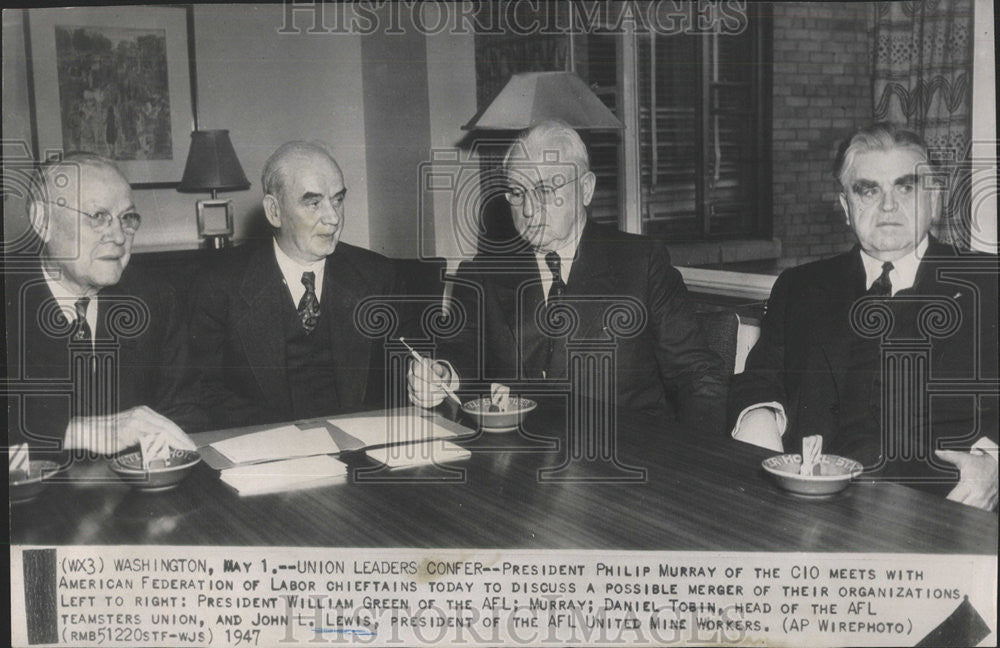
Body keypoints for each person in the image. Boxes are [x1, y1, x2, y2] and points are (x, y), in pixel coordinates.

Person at [728, 123, 998, 509]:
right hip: (812, 504)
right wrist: (759, 419)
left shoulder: (989, 286)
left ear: (934, 199)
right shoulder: (801, 286)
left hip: (948, 507)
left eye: (906, 187)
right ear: (845, 206)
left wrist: (994, 464)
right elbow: (760, 378)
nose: (888, 206)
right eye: (868, 189)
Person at [408, 120, 727, 432]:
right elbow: (459, 354)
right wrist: (441, 375)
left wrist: (694, 459)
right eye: (516, 192)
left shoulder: (641, 263)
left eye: (545, 189)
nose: (528, 210)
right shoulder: (482, 274)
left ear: (586, 189)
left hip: (622, 458)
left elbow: (696, 373)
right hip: (520, 461)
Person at [187, 141, 397, 429]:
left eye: (337, 200)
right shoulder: (220, 285)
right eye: (313, 203)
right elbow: (200, 392)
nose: (333, 218)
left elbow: (397, 378)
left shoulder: (376, 277)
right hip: (267, 452)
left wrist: (422, 382)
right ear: (274, 211)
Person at [5, 153, 198, 459]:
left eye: (127, 218)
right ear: (42, 221)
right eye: (98, 217)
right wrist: (78, 431)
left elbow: (185, 410)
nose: (120, 236)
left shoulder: (154, 298)